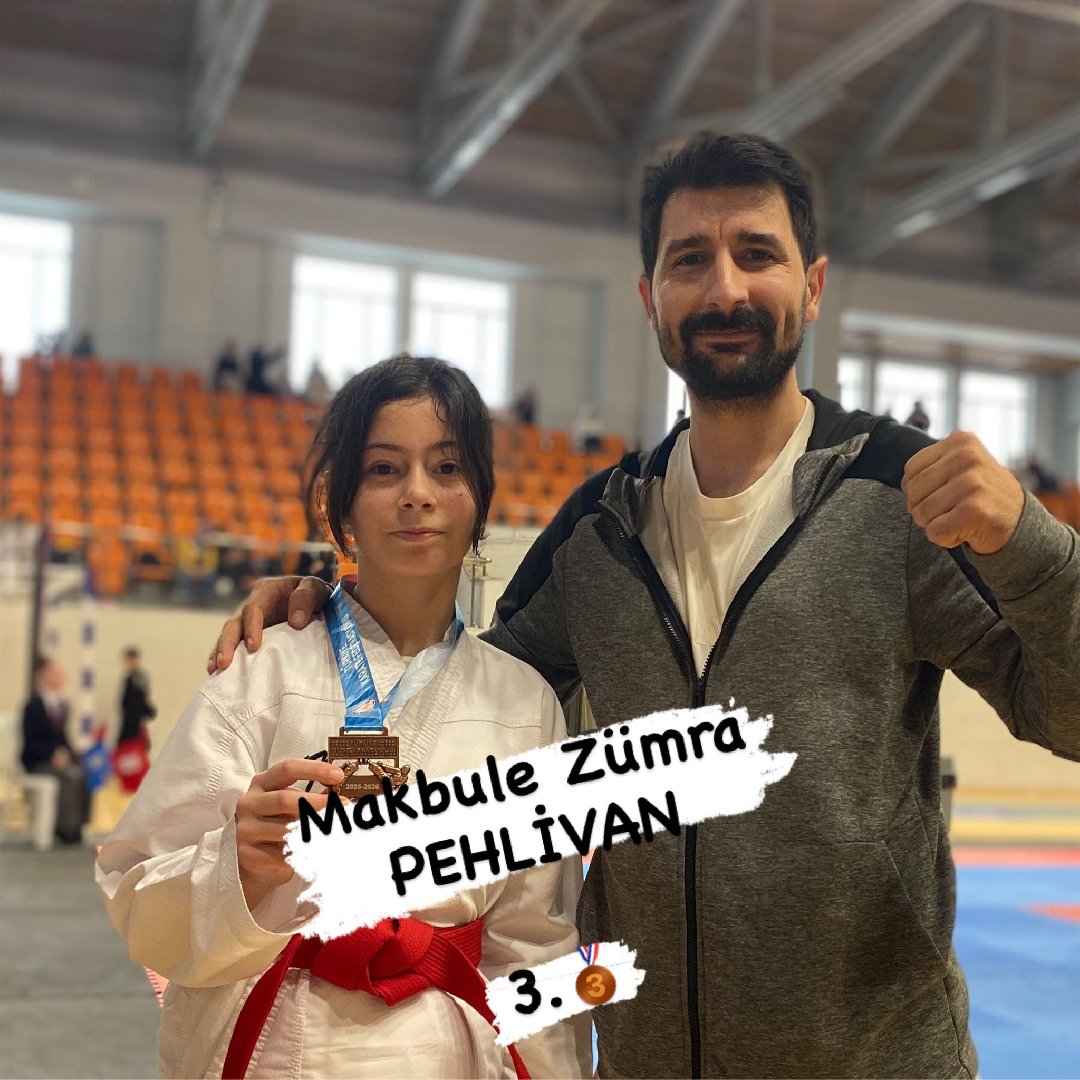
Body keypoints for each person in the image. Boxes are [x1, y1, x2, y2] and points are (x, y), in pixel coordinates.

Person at [209, 134, 1080, 1078]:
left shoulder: (901, 495)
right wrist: (343, 603)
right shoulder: (599, 532)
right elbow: (467, 699)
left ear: (813, 285)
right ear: (649, 296)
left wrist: (1032, 548)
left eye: (756, 253)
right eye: (689, 260)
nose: (724, 289)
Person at [97, 355, 591, 1079]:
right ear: (343, 505)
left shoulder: (524, 704)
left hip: (444, 1054)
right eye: (384, 469)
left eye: (447, 468)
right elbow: (137, 893)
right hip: (274, 1044)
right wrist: (237, 863)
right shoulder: (265, 667)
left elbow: (535, 944)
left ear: (480, 500)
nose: (417, 494)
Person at [21, 656, 91, 845]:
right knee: (69, 777)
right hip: (37, 761)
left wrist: (73, 754)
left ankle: (79, 825)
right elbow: (30, 741)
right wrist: (51, 756)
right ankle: (64, 827)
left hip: (58, 760)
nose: (61, 677)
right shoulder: (33, 706)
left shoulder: (62, 705)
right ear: (43, 675)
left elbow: (63, 739)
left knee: (83, 772)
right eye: (56, 673)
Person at [118, 647, 156, 748]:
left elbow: (139, 700)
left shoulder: (138, 679)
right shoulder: (130, 679)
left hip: (135, 724)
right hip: (130, 722)